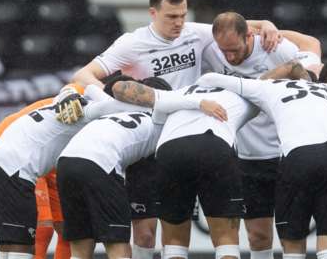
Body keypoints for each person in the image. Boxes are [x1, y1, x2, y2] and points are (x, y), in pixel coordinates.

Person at [71, 0, 281, 255]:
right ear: (153, 13)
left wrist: (268, 26)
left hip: (191, 131)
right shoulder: (132, 43)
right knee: (146, 233)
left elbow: (242, 26)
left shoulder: (195, 32)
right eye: (171, 17)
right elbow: (83, 74)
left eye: (182, 15)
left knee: (200, 230)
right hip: (149, 140)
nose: (178, 23)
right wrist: (113, 102)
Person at [194, 69, 327, 259]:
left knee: (293, 240)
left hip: (298, 157)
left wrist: (261, 82)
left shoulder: (269, 87)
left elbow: (208, 78)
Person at [0, 80, 169, 259]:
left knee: (9, 240)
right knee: (23, 243)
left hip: (3, 156)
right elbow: (102, 102)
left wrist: (70, 92)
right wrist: (161, 104)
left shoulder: (75, 97)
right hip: (17, 167)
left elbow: (84, 85)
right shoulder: (90, 108)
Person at [201, 12, 321, 259]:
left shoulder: (276, 48)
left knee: (292, 235)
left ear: (249, 35)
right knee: (258, 236)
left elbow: (312, 48)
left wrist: (271, 28)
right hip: (247, 157)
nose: (230, 57)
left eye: (234, 49)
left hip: (285, 154)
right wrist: (262, 23)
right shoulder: (211, 50)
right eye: (225, 51)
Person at [111, 78, 259, 259]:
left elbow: (119, 87)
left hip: (171, 151)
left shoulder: (177, 95)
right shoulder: (241, 94)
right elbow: (271, 82)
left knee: (174, 242)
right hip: (214, 146)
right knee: (225, 238)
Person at [0, 98, 72, 259]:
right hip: (25, 146)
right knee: (41, 227)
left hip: (58, 152)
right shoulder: (90, 89)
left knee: (70, 228)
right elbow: (77, 81)